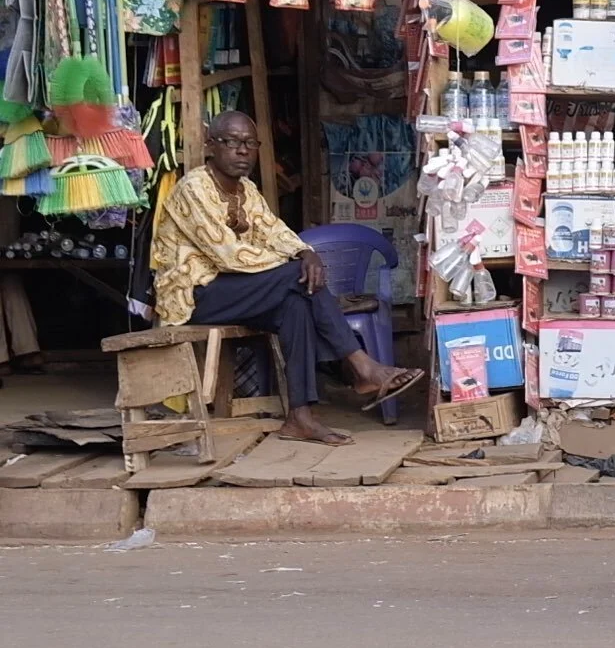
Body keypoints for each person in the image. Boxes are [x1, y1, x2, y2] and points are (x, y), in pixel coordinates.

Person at [150, 111, 422, 446]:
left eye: (250, 144)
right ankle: (361, 367)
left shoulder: (246, 191)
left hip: (237, 291)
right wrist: (297, 262)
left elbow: (275, 233)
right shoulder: (194, 188)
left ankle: (300, 417)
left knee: (297, 301)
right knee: (298, 277)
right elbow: (229, 255)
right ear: (211, 146)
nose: (241, 151)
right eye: (232, 142)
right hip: (194, 296)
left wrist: (306, 252)